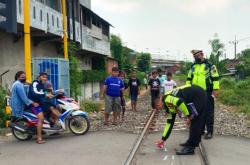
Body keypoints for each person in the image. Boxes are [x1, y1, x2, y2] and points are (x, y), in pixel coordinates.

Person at [155, 84, 207, 155]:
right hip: (193, 96)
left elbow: (180, 102)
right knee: (194, 119)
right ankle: (192, 141)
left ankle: (190, 148)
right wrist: (163, 139)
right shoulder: (168, 105)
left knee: (195, 120)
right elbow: (169, 123)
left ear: (159, 103)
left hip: (198, 94)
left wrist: (188, 115)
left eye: (159, 107)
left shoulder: (166, 98)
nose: (161, 109)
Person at [186, 50, 220, 139]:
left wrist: (215, 89)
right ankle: (200, 130)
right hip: (195, 93)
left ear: (202, 55)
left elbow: (215, 77)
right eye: (194, 57)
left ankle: (209, 132)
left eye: (197, 56)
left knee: (208, 112)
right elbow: (189, 78)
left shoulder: (210, 66)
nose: (195, 58)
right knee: (197, 112)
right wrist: (187, 90)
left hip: (207, 92)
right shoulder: (193, 66)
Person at [28, 72, 60, 144]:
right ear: (39, 76)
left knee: (54, 106)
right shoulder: (35, 83)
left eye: (46, 77)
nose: (45, 78)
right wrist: (45, 95)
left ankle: (54, 128)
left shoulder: (42, 84)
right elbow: (34, 93)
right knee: (41, 118)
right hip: (33, 104)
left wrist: (50, 94)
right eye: (43, 77)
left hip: (40, 103)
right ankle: (39, 138)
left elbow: (45, 92)